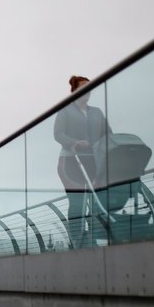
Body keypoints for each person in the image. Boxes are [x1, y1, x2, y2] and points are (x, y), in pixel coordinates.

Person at [53, 75, 112, 249]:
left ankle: (94, 238)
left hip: (94, 160)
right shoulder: (65, 111)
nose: (88, 90)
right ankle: (77, 240)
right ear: (75, 91)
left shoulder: (97, 112)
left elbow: (108, 132)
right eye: (83, 87)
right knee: (77, 201)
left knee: (95, 201)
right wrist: (73, 142)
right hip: (71, 161)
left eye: (90, 87)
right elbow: (58, 134)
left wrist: (101, 143)